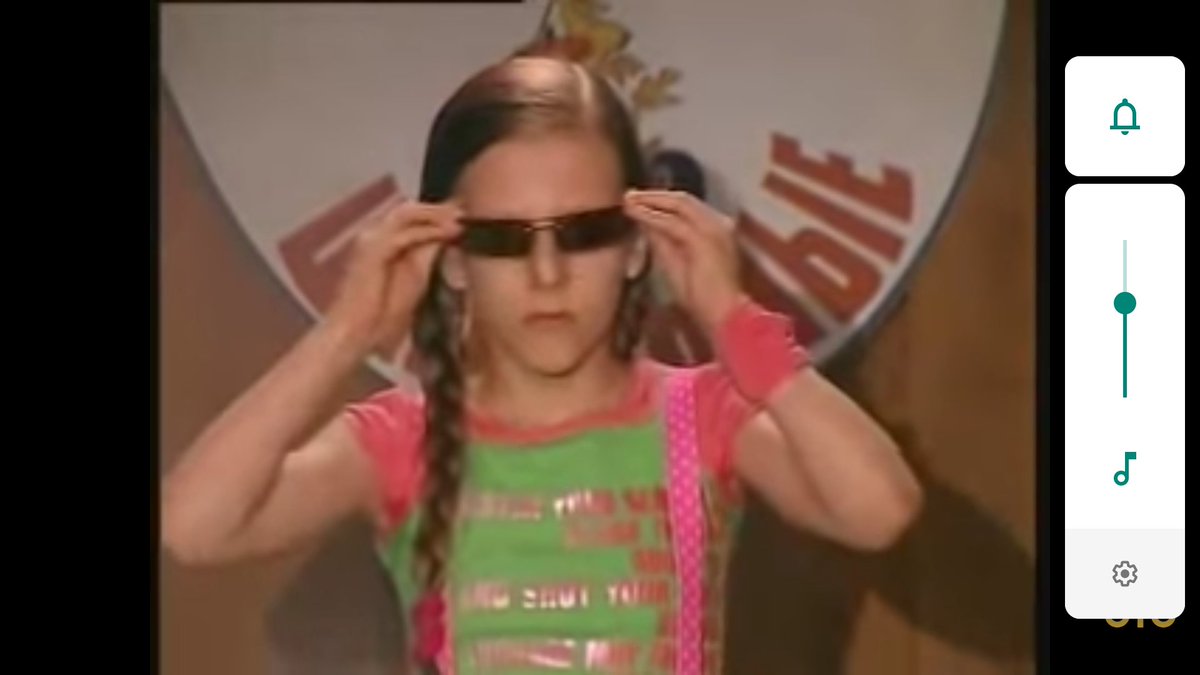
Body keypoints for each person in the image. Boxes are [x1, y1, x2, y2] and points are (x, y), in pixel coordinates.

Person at [161, 56, 923, 674]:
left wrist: (734, 319)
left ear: (635, 246)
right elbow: (194, 527)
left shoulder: (700, 417)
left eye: (583, 233)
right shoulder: (402, 438)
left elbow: (879, 509)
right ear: (452, 260)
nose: (548, 273)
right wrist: (345, 332)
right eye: (504, 239)